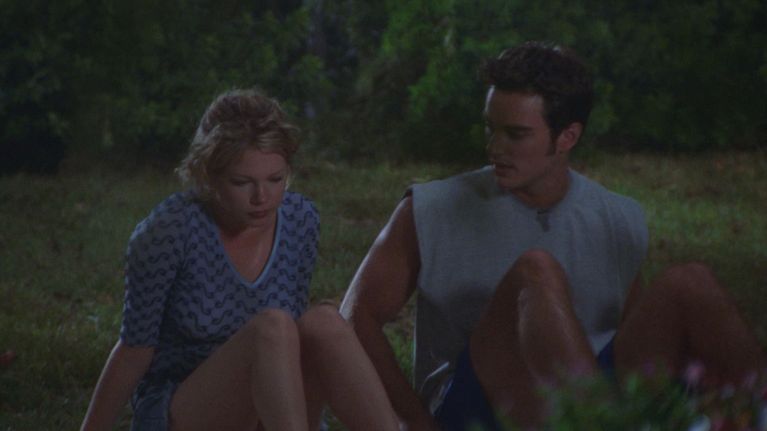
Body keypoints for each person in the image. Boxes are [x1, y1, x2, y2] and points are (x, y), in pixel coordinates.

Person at [340, 42, 765, 430]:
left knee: (690, 282)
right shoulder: (432, 207)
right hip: (479, 400)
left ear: (567, 137)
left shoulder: (617, 216)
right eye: (491, 128)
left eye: (515, 134)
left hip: (586, 391)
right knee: (536, 272)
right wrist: (414, 420)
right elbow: (356, 315)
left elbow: (630, 335)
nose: (495, 147)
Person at [81, 89, 399, 431]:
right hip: (188, 407)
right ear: (208, 175)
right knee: (272, 328)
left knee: (324, 322)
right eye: (242, 182)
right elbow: (134, 351)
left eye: (276, 180)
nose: (262, 197)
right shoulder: (169, 231)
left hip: (274, 404)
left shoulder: (301, 219)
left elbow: (296, 339)